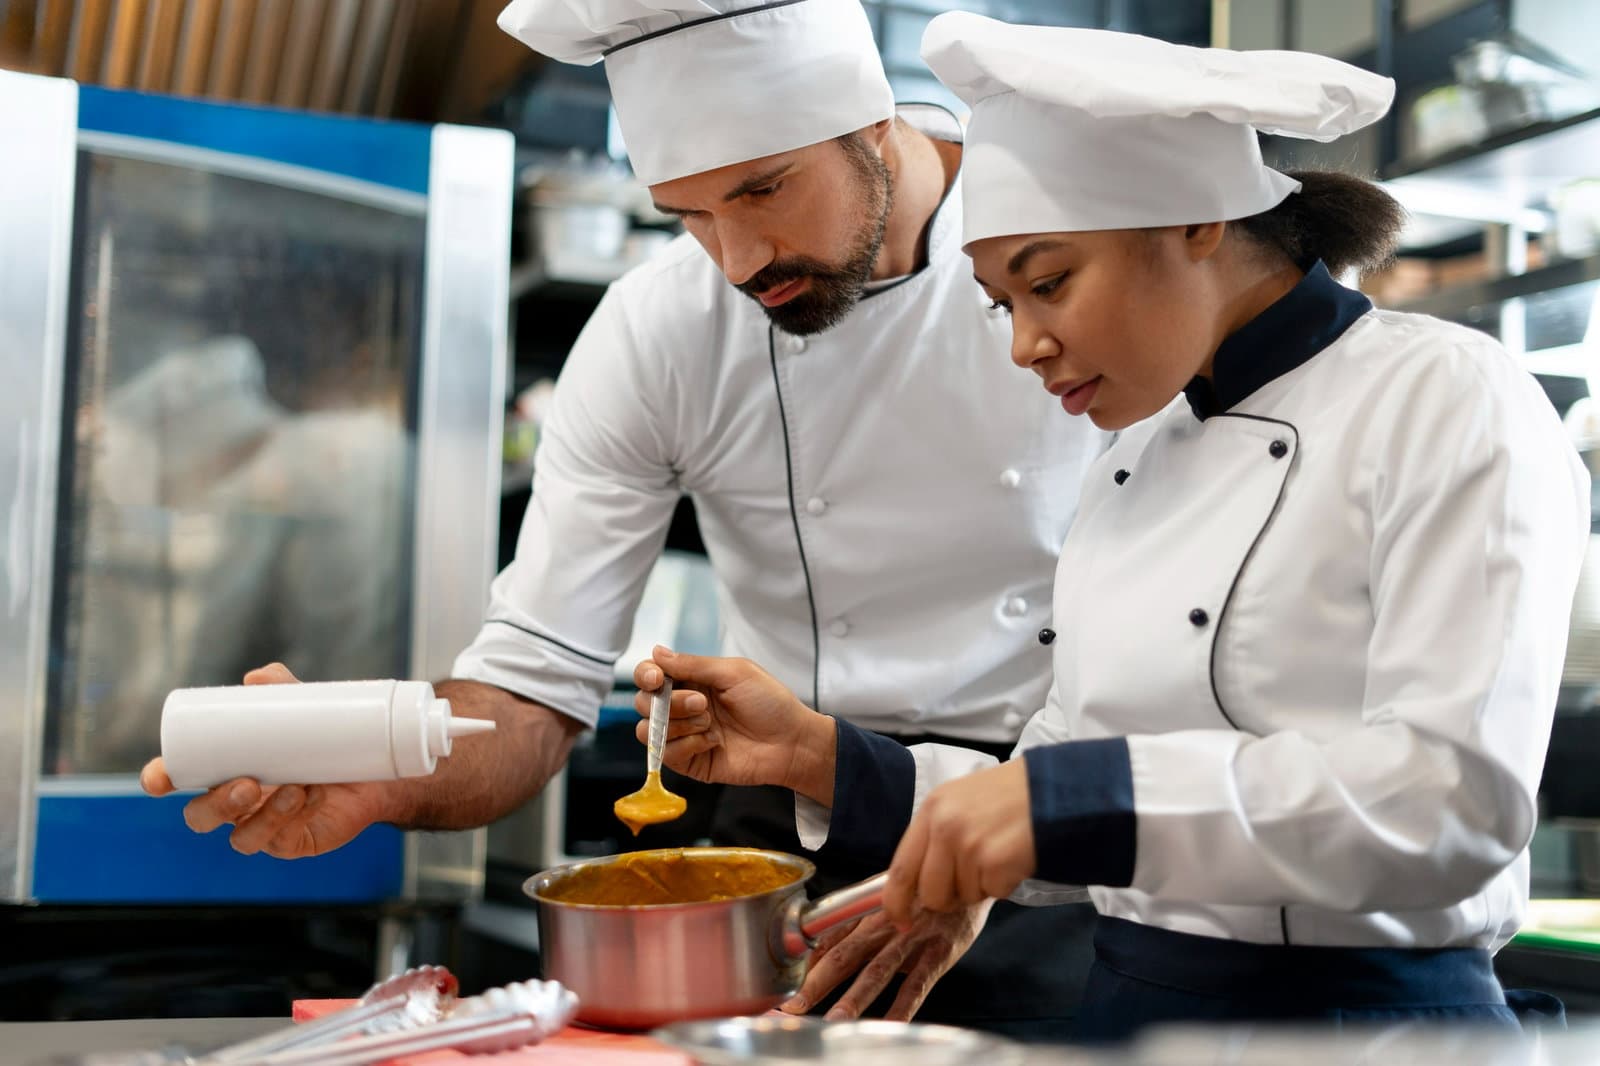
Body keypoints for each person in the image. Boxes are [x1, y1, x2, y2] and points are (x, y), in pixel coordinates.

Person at [139, 0, 1108, 1038]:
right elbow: (533, 678)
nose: (738, 261)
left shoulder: (1064, 258)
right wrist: (388, 769)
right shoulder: (662, 328)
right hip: (788, 856)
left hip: (1061, 825)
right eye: (688, 214)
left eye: (762, 190)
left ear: (878, 125)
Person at [624, 12, 1591, 1041]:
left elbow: (1449, 803)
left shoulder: (1446, 395)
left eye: (1048, 283)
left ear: (1198, 219)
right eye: (1002, 304)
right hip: (1128, 1017)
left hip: (1363, 1030)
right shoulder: (1135, 454)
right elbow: (1065, 766)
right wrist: (816, 753)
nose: (1025, 347)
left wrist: (1066, 798)